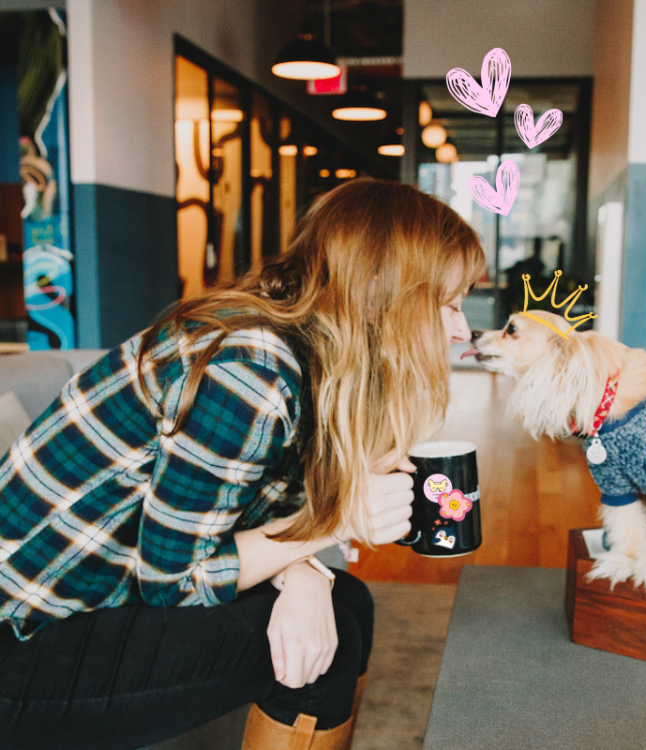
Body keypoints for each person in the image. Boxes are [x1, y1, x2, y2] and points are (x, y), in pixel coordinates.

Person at [0, 178, 485, 750]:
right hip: (23, 635)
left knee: (346, 603)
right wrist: (334, 526)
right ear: (379, 291)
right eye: (448, 305)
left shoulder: (303, 351)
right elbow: (175, 580)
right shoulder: (249, 370)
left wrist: (305, 574)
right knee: (322, 660)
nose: (461, 330)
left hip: (97, 594)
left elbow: (239, 515)